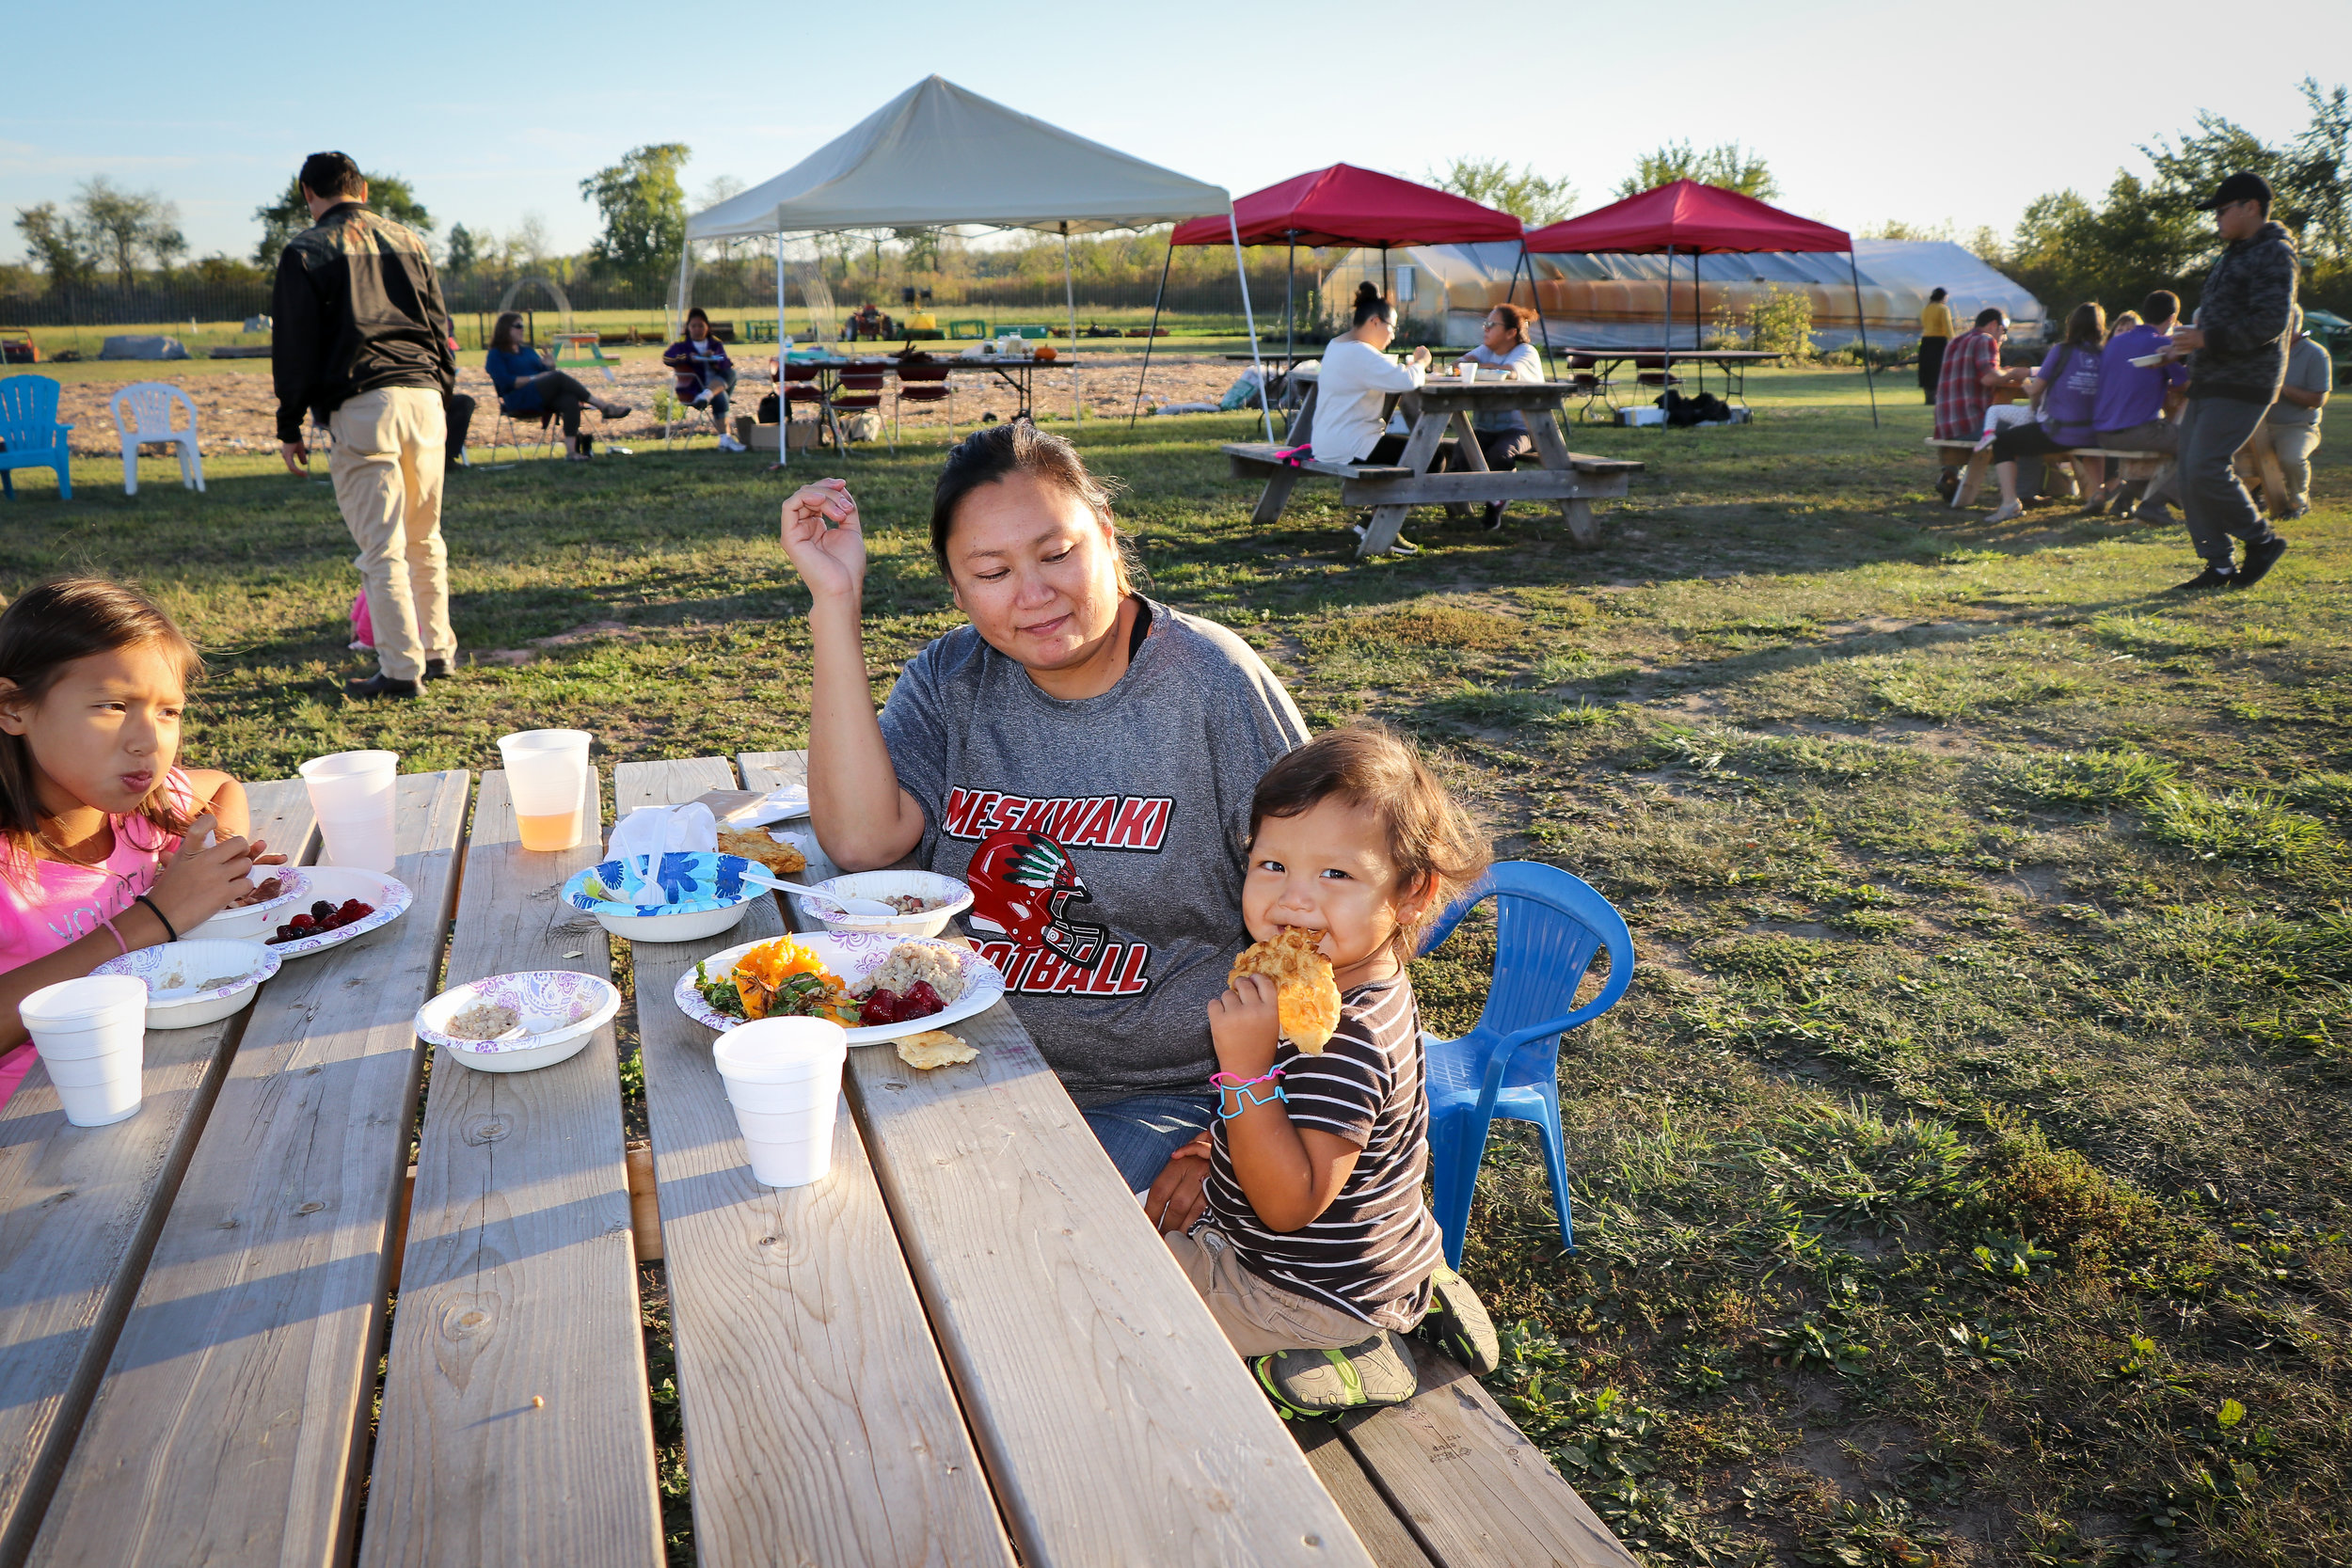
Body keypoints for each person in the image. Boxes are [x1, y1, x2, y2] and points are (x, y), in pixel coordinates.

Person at [776, 424, 1311, 1208]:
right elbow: (860, 842)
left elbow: (1334, 924)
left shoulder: (1214, 687)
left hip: (1161, 1096)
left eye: (1057, 554)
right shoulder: (952, 678)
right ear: (957, 591)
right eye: (991, 571)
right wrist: (835, 600)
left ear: (1107, 536)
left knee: (1016, 1245)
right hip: (959, 1055)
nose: (1033, 593)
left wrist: (1231, 1126)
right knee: (821, 1209)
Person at [1163, 724, 1500, 1416]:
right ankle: (1413, 1290)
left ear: (1411, 894)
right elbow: (1324, 1126)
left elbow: (1289, 1205)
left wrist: (1246, 1076)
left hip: (1298, 1284)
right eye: (1272, 864)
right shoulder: (1354, 975)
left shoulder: (1342, 1037)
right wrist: (1221, 1139)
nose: (1294, 899)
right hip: (1378, 1241)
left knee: (1116, 1289)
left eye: (1336, 874)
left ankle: (1350, 1349)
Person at [0, 580, 288, 1106]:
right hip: (37, 1125)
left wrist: (207, 856)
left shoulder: (148, 805)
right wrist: (156, 916)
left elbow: (222, 784)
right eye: (112, 705)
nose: (148, 741)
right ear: (12, 708)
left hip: (170, 1082)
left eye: (168, 712)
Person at [271, 150, 460, 701]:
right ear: (364, 189)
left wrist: (290, 423)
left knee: (383, 548)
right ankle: (438, 650)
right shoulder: (411, 240)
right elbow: (439, 324)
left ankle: (402, 670)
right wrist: (441, 390)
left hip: (361, 404)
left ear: (307, 194)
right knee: (425, 537)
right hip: (424, 397)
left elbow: (294, 347)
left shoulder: (306, 250)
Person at [2164, 172, 2298, 591]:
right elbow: (2223, 319)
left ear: (2251, 207)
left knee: (2206, 466)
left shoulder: (2275, 253)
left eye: (2222, 211)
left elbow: (2270, 322)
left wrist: (2206, 338)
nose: (2216, 219)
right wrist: (2190, 343)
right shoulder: (2233, 254)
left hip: (2245, 381)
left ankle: (2262, 541)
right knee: (2188, 472)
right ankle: (2218, 566)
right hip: (2210, 377)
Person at [1314, 284, 1433, 552]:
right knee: (1429, 455)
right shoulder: (1360, 353)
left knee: (1418, 451)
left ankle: (1375, 518)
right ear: (1375, 322)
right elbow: (1407, 380)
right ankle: (1381, 525)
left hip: (1330, 440)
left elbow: (1378, 368)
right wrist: (1422, 362)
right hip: (1350, 444)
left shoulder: (1338, 345)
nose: (1394, 335)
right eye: (1392, 328)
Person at [1983, 302, 2106, 523]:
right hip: (2094, 432)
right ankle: (2098, 494)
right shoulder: (2104, 355)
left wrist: (2028, 384)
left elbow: (2036, 391)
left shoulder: (2061, 351)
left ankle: (2010, 502)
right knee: (2085, 448)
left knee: (2003, 442)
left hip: (2059, 431)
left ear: (2073, 324)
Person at [1442, 303, 1544, 529]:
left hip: (1523, 428)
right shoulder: (1485, 350)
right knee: (1461, 452)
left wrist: (1477, 366)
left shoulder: (1526, 352)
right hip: (1486, 428)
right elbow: (1457, 365)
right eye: (1485, 324)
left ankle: (1496, 501)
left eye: (1491, 324)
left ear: (1511, 332)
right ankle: (1460, 508)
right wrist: (1471, 363)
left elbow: (1510, 372)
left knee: (1501, 453)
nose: (1485, 329)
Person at [2091, 291, 2189, 520]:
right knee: (2198, 446)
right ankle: (2155, 503)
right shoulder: (2162, 344)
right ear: (2173, 317)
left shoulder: (2115, 342)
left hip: (2103, 432)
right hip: (2137, 431)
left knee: (2168, 441)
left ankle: (2124, 499)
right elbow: (2185, 384)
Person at [485, 311, 632, 463]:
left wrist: (550, 367)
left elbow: (548, 378)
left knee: (569, 399)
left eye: (523, 326)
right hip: (518, 399)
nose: (522, 329)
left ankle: (571, 452)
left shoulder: (527, 352)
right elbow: (506, 382)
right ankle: (603, 406)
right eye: (518, 326)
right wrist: (538, 377)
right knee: (559, 377)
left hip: (540, 396)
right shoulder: (496, 355)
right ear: (505, 329)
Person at [1932, 307, 2030, 494]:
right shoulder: (1986, 340)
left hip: (1946, 426)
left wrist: (2002, 371)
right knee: (2027, 430)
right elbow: (1989, 378)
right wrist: (2013, 373)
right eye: (2004, 331)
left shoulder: (1956, 342)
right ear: (1994, 325)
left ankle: (1950, 474)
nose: (2004, 337)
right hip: (1970, 425)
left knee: (1991, 420)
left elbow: (1982, 374)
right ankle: (2026, 491)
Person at [2266, 305, 2330, 518]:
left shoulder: (2315, 354)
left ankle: (2298, 501)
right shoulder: (2266, 350)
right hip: (2259, 425)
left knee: (2292, 458)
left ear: (2293, 325)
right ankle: (2253, 497)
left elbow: (2318, 399)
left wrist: (2282, 388)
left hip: (2297, 426)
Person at [663, 308, 745, 452]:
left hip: (714, 387)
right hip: (694, 389)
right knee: (721, 396)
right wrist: (688, 358)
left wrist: (713, 359)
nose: (697, 329)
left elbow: (726, 363)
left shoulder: (715, 344)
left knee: (731, 373)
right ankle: (725, 440)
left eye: (701, 326)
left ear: (707, 327)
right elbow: (667, 358)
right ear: (688, 328)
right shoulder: (681, 345)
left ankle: (707, 395)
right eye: (693, 326)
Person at [1917, 286, 1955, 404]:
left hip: (1926, 341)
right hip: (1939, 342)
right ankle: (1937, 397)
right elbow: (1948, 327)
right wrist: (1954, 342)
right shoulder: (1943, 309)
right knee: (1939, 369)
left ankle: (1928, 396)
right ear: (1943, 297)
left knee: (1927, 369)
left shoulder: (1926, 309)